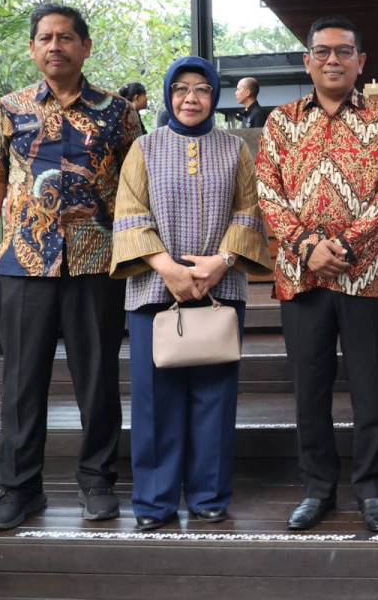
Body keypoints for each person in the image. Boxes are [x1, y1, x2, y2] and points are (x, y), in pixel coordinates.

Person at [0, 3, 142, 531]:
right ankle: (20, 490)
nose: (54, 45)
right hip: (25, 263)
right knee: (21, 383)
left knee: (97, 380)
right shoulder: (7, 110)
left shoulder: (118, 113)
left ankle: (97, 482)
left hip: (96, 263)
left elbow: (138, 191)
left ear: (85, 46)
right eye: (45, 37)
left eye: (66, 37)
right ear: (32, 48)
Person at [256, 15, 378, 533]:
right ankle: (317, 488)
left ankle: (371, 491)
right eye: (322, 51)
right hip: (302, 279)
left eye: (344, 51)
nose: (333, 60)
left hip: (367, 277)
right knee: (310, 391)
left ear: (361, 62)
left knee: (370, 390)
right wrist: (305, 247)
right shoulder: (280, 122)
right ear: (308, 61)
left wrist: (342, 245)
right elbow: (268, 194)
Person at [111, 55, 272, 531]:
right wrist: (169, 269)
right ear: (168, 94)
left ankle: (208, 496)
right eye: (180, 88)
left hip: (220, 289)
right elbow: (130, 214)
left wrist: (216, 266)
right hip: (152, 291)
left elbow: (249, 213)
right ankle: (155, 503)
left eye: (202, 89)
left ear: (215, 95)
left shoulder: (235, 150)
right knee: (154, 402)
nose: (191, 98)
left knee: (214, 398)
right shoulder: (144, 148)